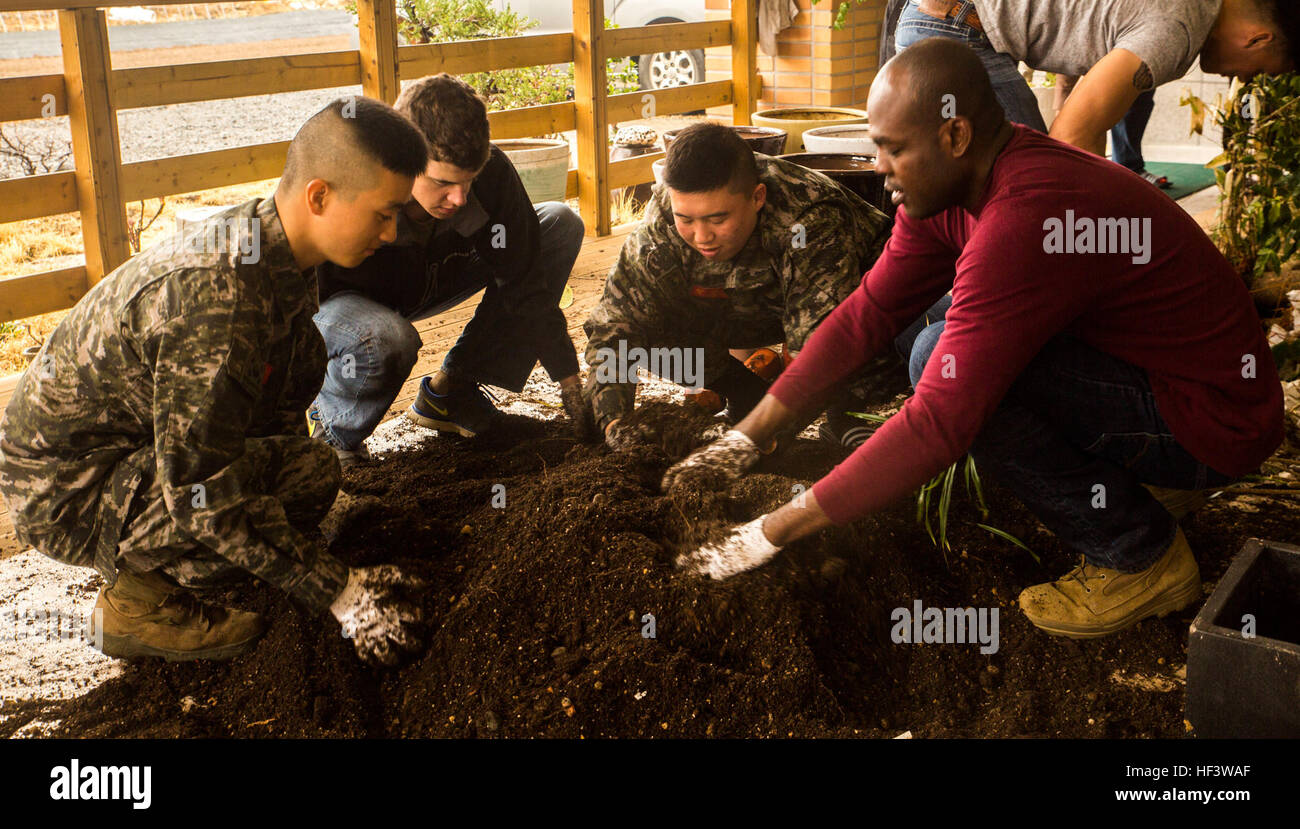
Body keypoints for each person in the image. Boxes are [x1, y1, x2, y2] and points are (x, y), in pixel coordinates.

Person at [667, 39, 1284, 640]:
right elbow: (868, 314)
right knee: (928, 342)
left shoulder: (1026, 217)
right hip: (1154, 381)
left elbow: (939, 425)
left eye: (890, 149)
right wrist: (744, 439)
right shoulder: (948, 187)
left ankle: (1140, 557)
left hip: (1216, 421)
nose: (877, 167)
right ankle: (1147, 486)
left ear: (954, 136)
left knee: (948, 366)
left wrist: (769, 532)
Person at [0, 98, 431, 665]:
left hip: (137, 452)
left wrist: (291, 542)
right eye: (383, 213)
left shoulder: (275, 247)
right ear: (319, 196)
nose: (394, 232)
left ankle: (189, 559)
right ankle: (136, 601)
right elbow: (199, 489)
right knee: (248, 498)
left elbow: (267, 416)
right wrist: (338, 591)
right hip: (67, 488)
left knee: (309, 472)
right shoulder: (219, 298)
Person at [583, 122, 916, 451]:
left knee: (859, 390)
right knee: (648, 327)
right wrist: (615, 425)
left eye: (717, 219)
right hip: (746, 308)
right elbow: (613, 327)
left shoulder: (809, 218)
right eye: (687, 219)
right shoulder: (663, 222)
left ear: (757, 198)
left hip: (850, 313)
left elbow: (821, 349)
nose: (702, 237)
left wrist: (753, 440)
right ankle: (747, 397)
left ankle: (849, 413)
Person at [310, 74, 590, 458]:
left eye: (469, 182)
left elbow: (525, 283)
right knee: (386, 337)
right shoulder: (351, 179)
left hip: (438, 272)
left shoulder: (489, 173)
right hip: (345, 302)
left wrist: (570, 383)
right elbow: (296, 298)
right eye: (442, 182)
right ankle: (331, 435)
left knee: (559, 224)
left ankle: (450, 392)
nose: (458, 199)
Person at [891, 0, 1298, 155]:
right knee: (1031, 187)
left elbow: (1089, 116)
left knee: (1017, 201)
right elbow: (1072, 135)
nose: (1241, 77)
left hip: (947, 19)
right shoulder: (1179, 29)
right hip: (957, 28)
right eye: (1259, 70)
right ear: (1258, 39)